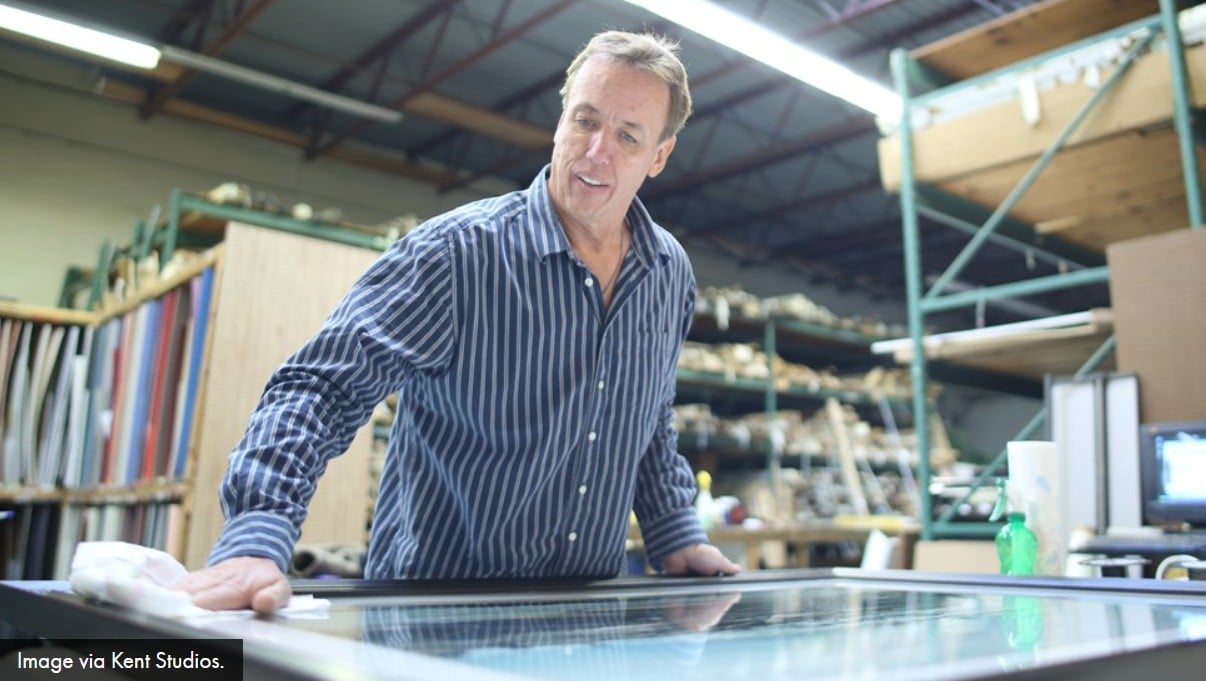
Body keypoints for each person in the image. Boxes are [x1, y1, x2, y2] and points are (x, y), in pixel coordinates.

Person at [176, 29, 741, 613]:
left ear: (658, 156)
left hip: (582, 621)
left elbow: (646, 415)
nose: (598, 151)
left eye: (627, 136)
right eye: (585, 121)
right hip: (436, 618)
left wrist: (675, 531)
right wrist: (257, 534)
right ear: (560, 120)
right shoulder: (456, 255)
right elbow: (320, 388)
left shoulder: (666, 273)